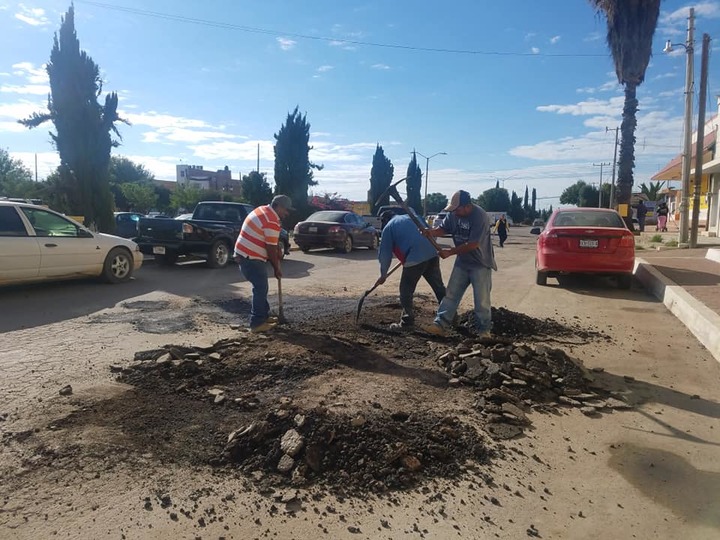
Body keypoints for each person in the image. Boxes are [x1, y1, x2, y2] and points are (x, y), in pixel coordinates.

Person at [420, 190, 496, 337]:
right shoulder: (453, 214)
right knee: (451, 295)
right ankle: (439, 325)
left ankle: (484, 331)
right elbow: (443, 229)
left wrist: (450, 252)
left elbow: (473, 244)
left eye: (457, 209)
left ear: (467, 206)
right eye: (453, 210)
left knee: (482, 301)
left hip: (480, 264)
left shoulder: (480, 216)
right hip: (462, 263)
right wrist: (431, 232)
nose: (454, 213)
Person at [375, 210, 446, 330]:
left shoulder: (389, 227)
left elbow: (385, 254)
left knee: (406, 290)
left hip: (414, 259)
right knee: (439, 287)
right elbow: (430, 233)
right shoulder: (414, 216)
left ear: (384, 220)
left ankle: (407, 322)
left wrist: (383, 275)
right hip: (432, 254)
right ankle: (450, 316)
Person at [234, 195, 293, 333]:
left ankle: (264, 316)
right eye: (286, 209)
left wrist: (277, 249)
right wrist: (276, 268)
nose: (287, 213)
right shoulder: (271, 220)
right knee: (260, 288)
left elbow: (271, 242)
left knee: (261, 287)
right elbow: (270, 248)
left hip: (244, 254)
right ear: (278, 206)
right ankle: (257, 323)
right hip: (250, 257)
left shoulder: (262, 210)